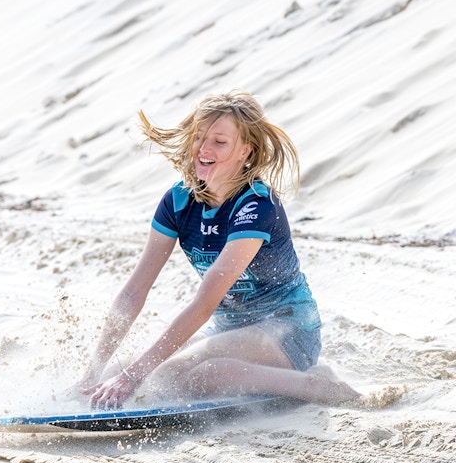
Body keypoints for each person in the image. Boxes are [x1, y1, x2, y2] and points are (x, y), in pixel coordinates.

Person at [73, 90, 360, 410]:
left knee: (178, 377)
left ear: (245, 152)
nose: (203, 149)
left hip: (288, 331)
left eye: (220, 142)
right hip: (228, 331)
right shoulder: (178, 201)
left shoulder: (256, 204)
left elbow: (205, 301)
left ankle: (314, 384)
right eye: (199, 137)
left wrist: (133, 376)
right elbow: (134, 291)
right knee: (115, 372)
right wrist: (94, 370)